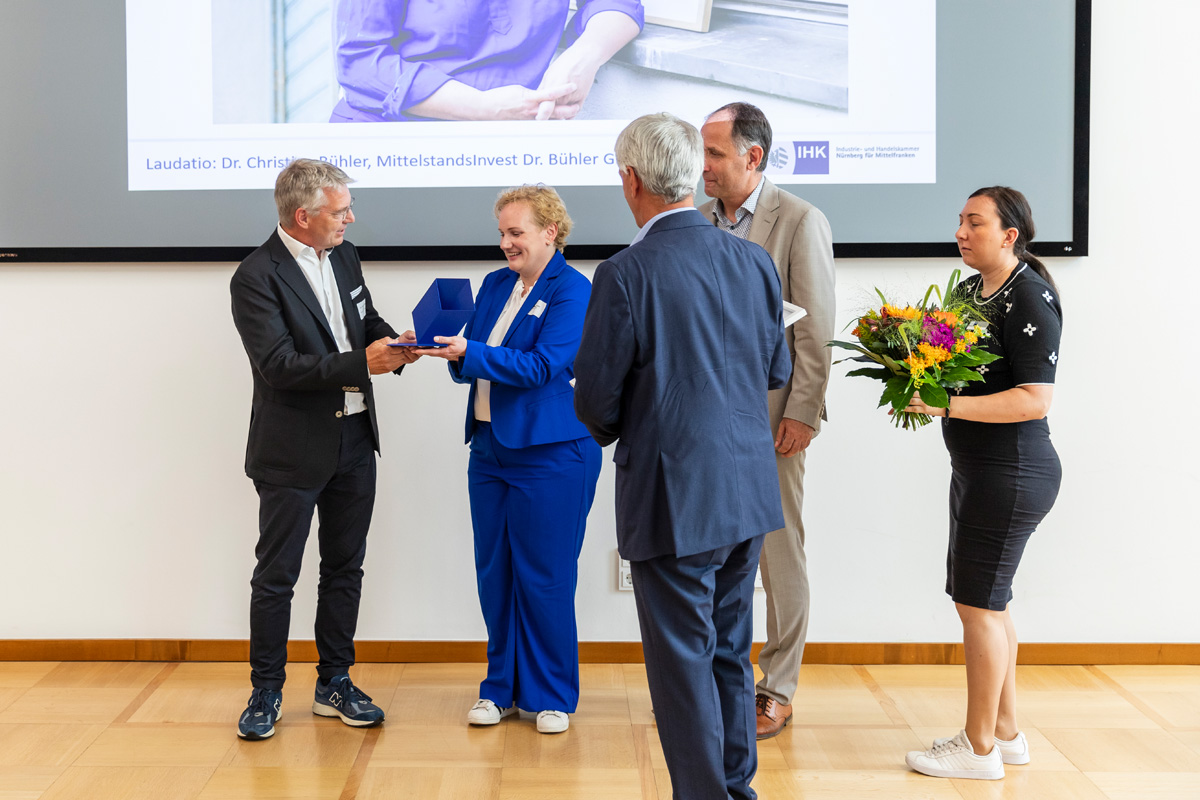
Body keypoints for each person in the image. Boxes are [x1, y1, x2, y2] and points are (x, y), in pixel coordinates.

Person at [574, 113, 791, 800]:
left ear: (631, 179)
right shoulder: (753, 260)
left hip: (673, 498)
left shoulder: (624, 272)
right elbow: (776, 369)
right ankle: (735, 788)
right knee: (729, 653)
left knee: (682, 666)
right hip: (747, 488)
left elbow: (595, 402)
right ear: (694, 173)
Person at [229, 158, 420, 740]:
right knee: (277, 576)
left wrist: (397, 344)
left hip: (356, 440)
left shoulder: (345, 254)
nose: (350, 219)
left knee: (344, 567)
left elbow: (364, 321)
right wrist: (364, 362)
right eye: (340, 211)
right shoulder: (255, 276)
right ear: (302, 216)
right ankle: (266, 691)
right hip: (291, 449)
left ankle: (334, 682)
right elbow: (280, 367)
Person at [416, 186, 602, 734]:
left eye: (516, 233)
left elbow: (541, 366)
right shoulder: (497, 284)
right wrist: (439, 347)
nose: (505, 243)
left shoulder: (574, 290)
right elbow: (472, 361)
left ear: (550, 232)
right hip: (490, 449)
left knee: (544, 578)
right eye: (502, 233)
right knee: (495, 575)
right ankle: (500, 690)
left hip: (552, 454)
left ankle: (551, 696)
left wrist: (469, 352)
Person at [902, 186, 1063, 780]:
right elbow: (952, 367)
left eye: (975, 223)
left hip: (1012, 473)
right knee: (991, 605)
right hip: (978, 471)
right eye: (960, 221)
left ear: (1009, 235)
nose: (961, 232)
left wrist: (947, 405)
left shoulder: (1030, 296)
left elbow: (1033, 399)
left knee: (978, 608)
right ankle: (1005, 734)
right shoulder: (970, 292)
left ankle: (977, 750)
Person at [698, 101, 836, 739]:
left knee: (778, 556)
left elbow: (815, 329)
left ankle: (776, 688)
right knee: (710, 553)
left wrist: (804, 412)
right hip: (703, 419)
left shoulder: (800, 220)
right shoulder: (697, 221)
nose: (703, 166)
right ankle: (712, 684)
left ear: (753, 156)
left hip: (774, 420)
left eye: (715, 153)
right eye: (702, 152)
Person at [331, 0, 643, 122]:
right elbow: (359, 61)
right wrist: (484, 107)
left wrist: (583, 57)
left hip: (511, 138)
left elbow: (619, 4)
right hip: (389, 143)